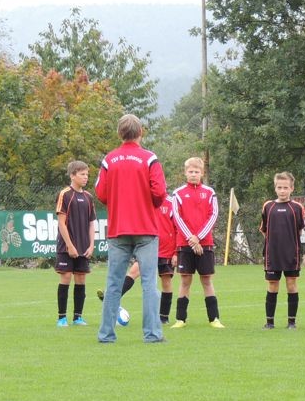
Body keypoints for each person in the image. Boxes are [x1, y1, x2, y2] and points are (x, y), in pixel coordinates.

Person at [95, 114, 168, 343]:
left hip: (118, 229)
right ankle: (153, 334)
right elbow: (160, 192)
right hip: (146, 228)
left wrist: (117, 203)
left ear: (120, 133)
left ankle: (106, 334)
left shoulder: (109, 160)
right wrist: (150, 206)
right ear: (141, 132)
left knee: (113, 283)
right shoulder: (149, 159)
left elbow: (101, 193)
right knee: (149, 283)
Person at [98, 192, 177, 324]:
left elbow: (177, 228)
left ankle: (163, 317)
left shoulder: (171, 203)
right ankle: (111, 299)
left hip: (165, 250)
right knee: (133, 272)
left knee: (166, 282)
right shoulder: (143, 200)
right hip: (147, 247)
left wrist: (176, 252)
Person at [171, 157, 224, 328]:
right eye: (190, 171)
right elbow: (177, 218)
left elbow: (213, 215)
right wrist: (192, 241)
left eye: (196, 172)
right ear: (185, 173)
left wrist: (199, 238)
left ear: (202, 173)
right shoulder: (177, 193)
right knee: (185, 281)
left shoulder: (210, 192)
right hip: (185, 244)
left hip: (205, 243)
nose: (193, 174)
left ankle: (214, 318)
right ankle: (180, 319)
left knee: (206, 280)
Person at [260, 172, 305, 329]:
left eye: (285, 187)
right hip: (272, 255)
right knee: (272, 285)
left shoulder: (297, 208)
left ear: (292, 188)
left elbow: (300, 230)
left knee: (291, 284)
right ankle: (269, 322)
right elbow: (264, 229)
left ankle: (291, 322)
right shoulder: (268, 206)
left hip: (291, 254)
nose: (282, 190)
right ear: (275, 188)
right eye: (279, 187)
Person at [54, 160, 96, 327]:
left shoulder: (88, 197)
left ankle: (78, 317)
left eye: (87, 174)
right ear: (72, 176)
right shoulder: (65, 194)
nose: (85, 177)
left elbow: (92, 223)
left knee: (81, 279)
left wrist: (91, 244)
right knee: (65, 277)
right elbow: (61, 222)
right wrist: (70, 245)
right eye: (82, 174)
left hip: (84, 246)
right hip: (67, 247)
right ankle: (61, 317)